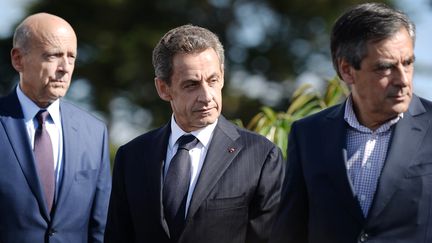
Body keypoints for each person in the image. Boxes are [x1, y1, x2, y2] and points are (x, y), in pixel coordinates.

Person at [104, 24, 284, 243]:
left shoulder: (261, 156)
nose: (207, 96)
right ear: (163, 88)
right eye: (191, 85)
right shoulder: (131, 156)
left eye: (213, 80)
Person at [269, 2, 432, 243]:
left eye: (407, 63)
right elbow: (290, 231)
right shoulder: (307, 135)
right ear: (347, 70)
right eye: (386, 68)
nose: (403, 79)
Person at [0, 13, 111, 242]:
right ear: (18, 59)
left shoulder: (94, 132)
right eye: (53, 55)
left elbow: (100, 227)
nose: (65, 67)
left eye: (71, 57)